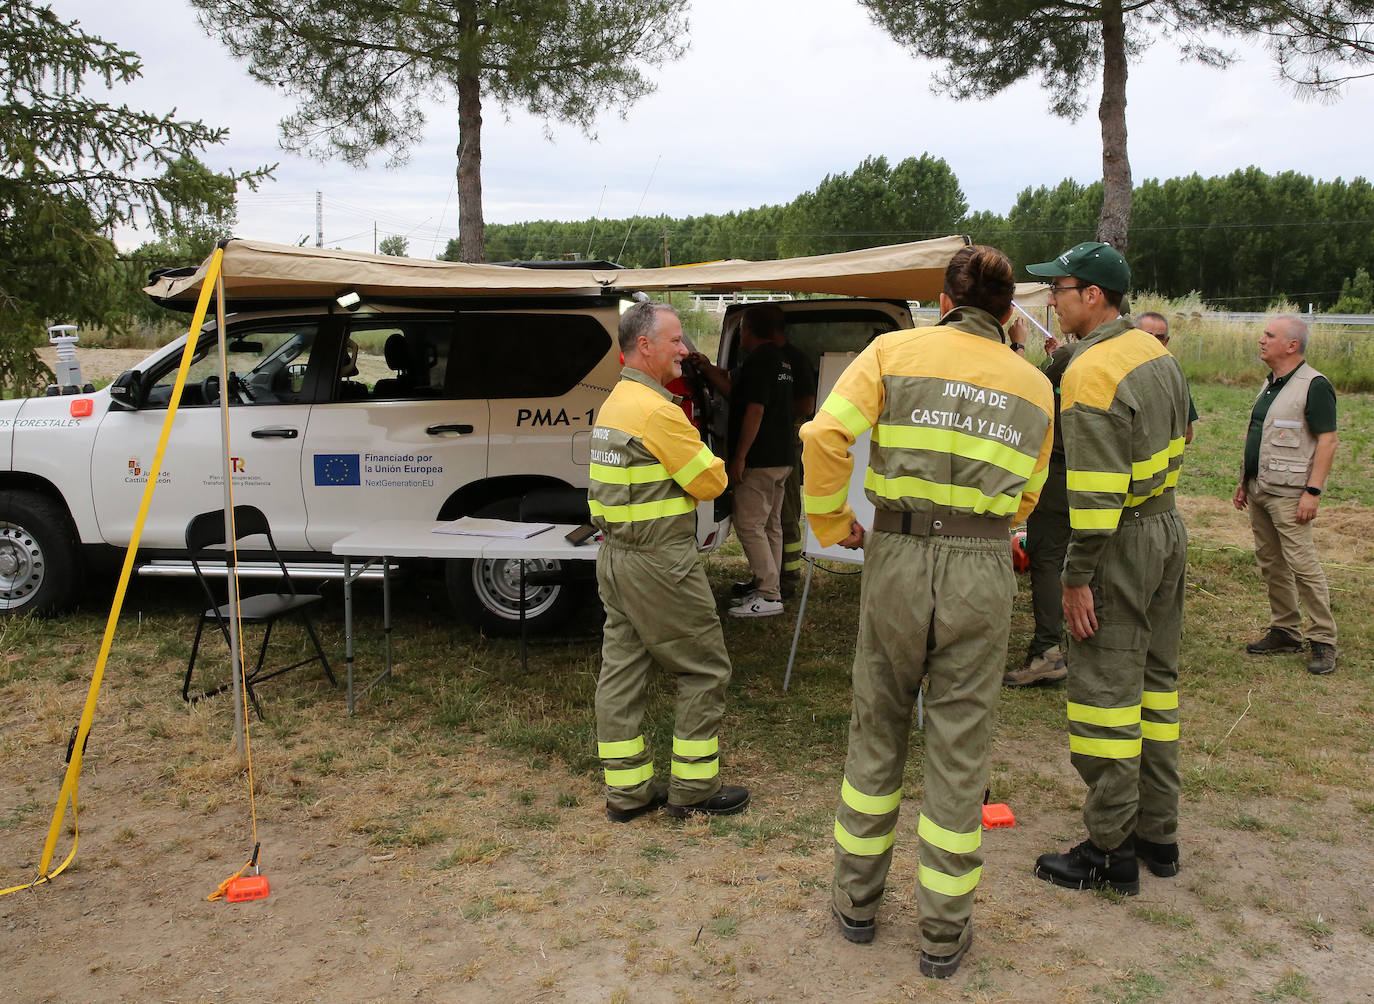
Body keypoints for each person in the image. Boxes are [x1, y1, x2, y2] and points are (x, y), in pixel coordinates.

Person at [801, 246, 1053, 979]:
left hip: (899, 557)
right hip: (983, 564)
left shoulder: (893, 351)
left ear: (944, 300)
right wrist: (995, 527)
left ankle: (855, 905)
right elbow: (1031, 489)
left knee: (877, 724)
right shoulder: (1035, 385)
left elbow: (824, 435)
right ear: (1009, 313)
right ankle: (944, 935)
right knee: (960, 744)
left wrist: (827, 521)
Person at [1025, 242, 1191, 896]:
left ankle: (1108, 850)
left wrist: (1074, 580)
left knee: (1105, 699)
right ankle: (1159, 834)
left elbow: (1093, 497)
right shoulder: (1155, 353)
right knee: (1156, 688)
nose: (1052, 299)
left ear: (1094, 295)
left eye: (1060, 288)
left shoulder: (1092, 372)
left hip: (1118, 541)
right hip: (1166, 528)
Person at [589, 301, 751, 822]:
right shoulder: (658, 411)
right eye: (676, 341)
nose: (685, 351)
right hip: (661, 562)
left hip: (616, 557)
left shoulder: (615, 402)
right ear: (645, 346)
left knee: (621, 672)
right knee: (704, 668)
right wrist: (704, 448)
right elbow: (713, 481)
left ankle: (628, 795)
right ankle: (693, 789)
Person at [1232, 315, 1339, 675]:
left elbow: (1328, 439)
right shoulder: (1272, 384)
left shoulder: (1314, 385)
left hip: (1291, 495)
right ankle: (1285, 630)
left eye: (1269, 335)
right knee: (1270, 562)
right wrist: (1245, 480)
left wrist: (1313, 491)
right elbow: (1260, 434)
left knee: (1303, 566)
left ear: (1292, 346)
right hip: (1261, 488)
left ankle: (1323, 640)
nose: (1261, 340)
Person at [690, 306, 795, 617]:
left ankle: (768, 595)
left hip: (760, 459)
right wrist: (708, 368)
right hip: (782, 456)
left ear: (748, 330)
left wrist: (739, 457)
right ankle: (769, 586)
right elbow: (735, 391)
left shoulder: (759, 361)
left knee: (749, 525)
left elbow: (754, 409)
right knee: (770, 525)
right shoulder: (781, 360)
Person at [1003, 317, 1080, 687]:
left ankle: (1047, 651)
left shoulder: (1072, 356)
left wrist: (1018, 345)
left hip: (1061, 472)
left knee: (1047, 560)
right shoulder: (1126, 356)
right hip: (1107, 477)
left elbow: (1023, 392)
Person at [776, 313, 818, 599]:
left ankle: (789, 578)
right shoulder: (769, 356)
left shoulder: (794, 359)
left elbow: (807, 404)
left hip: (787, 441)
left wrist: (774, 411)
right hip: (775, 443)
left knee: (786, 512)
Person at [1136, 311, 1196, 444]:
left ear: (1167, 341)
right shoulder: (1120, 373)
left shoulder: (1175, 377)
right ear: (1133, 336)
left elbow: (1188, 434)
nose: (1153, 341)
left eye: (1160, 337)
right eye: (1148, 336)